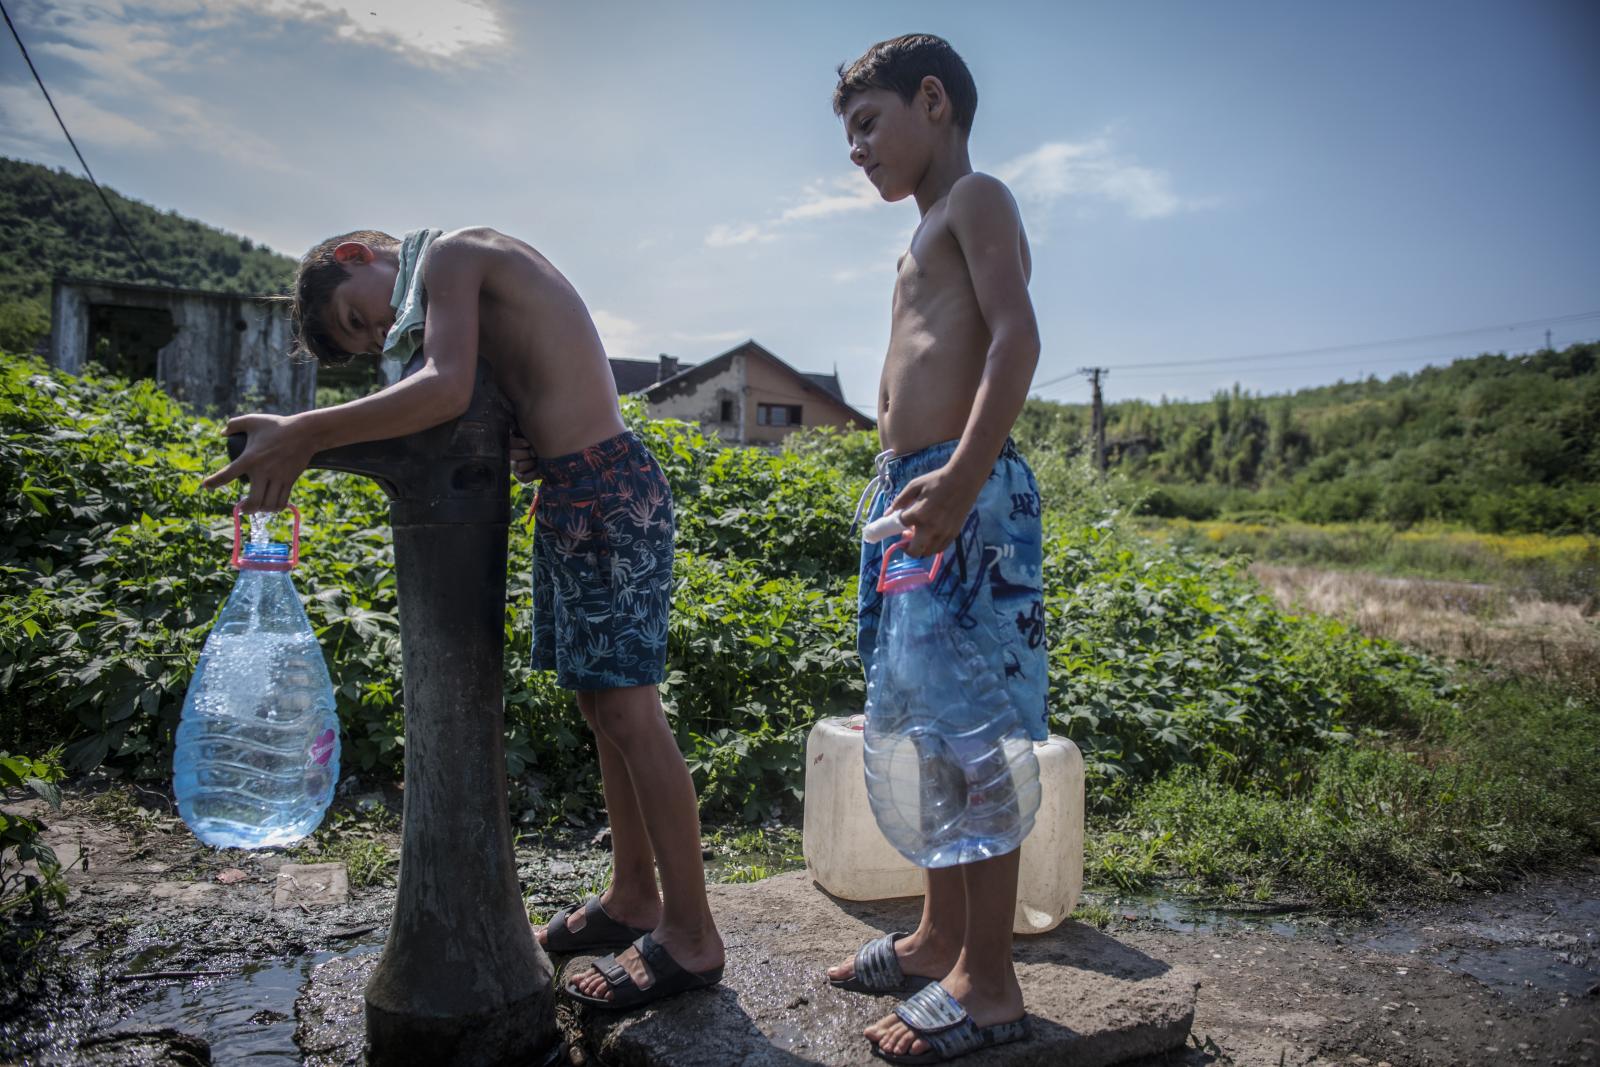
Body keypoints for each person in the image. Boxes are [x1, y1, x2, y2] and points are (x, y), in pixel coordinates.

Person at [203, 226, 723, 1009]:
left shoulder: (452, 254)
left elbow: (445, 388)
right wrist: (525, 432)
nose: (381, 333)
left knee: (629, 709)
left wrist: (306, 431)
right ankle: (633, 896)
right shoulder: (457, 285)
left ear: (355, 253)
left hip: (609, 488)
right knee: (600, 706)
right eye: (369, 336)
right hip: (576, 490)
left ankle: (691, 932)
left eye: (360, 319)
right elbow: (506, 381)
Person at [823, 35, 1046, 1063]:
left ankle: (989, 981)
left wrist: (959, 475)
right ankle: (938, 934)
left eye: (868, 124)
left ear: (933, 102)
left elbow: (1015, 340)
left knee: (972, 735)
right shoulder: (917, 236)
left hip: (964, 495)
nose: (857, 148)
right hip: (911, 496)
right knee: (919, 726)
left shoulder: (977, 199)